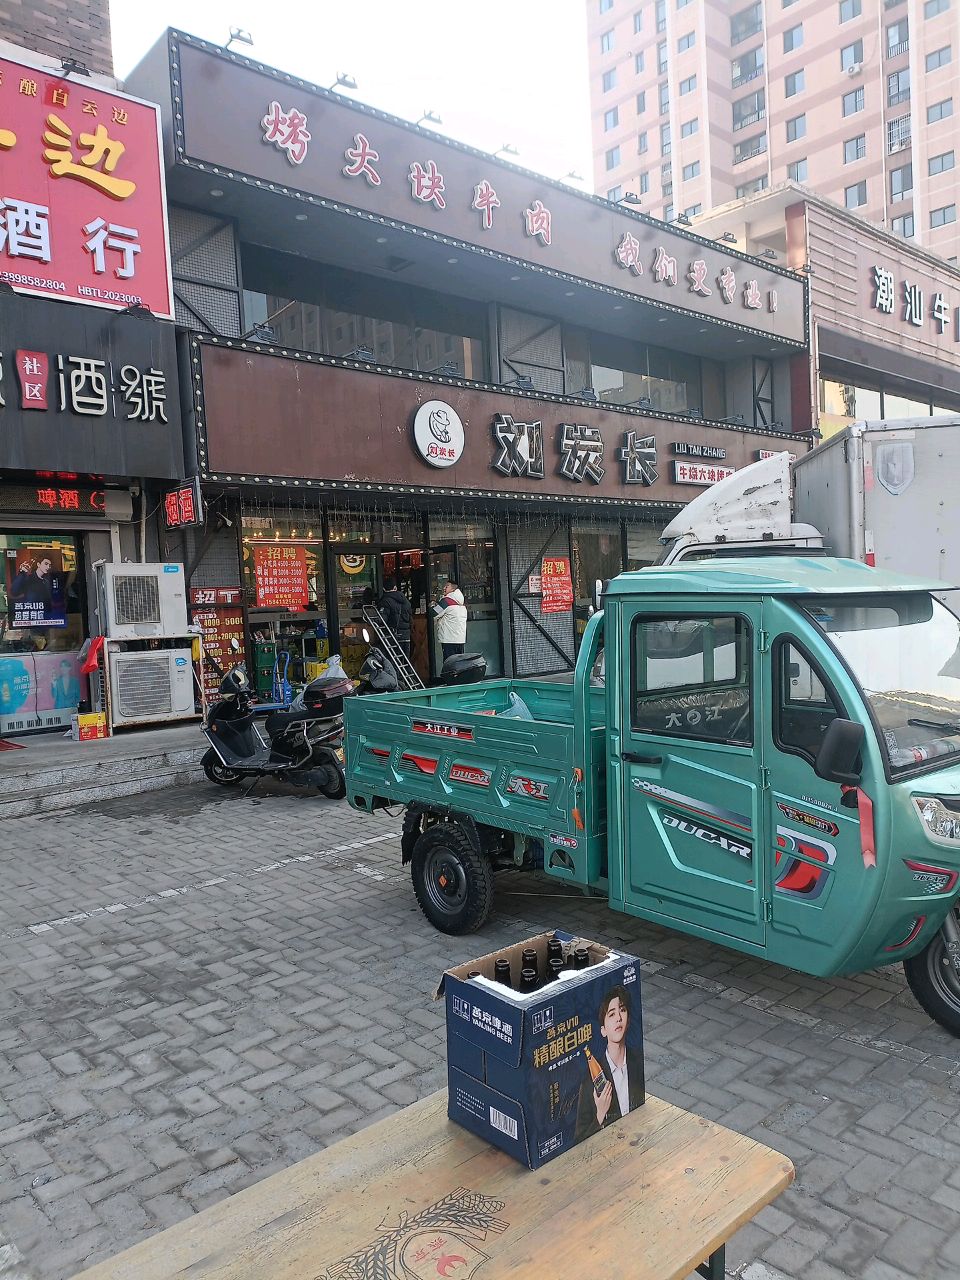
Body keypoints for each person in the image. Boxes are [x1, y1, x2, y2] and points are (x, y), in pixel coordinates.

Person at [573, 984, 644, 1141]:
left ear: (629, 1019)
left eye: (622, 1010)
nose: (618, 1017)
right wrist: (600, 1113)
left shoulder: (637, 1062)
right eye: (611, 1014)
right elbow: (579, 1139)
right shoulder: (591, 1078)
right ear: (603, 1029)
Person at [433, 579, 467, 662]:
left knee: (449, 663)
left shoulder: (446, 602)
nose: (444, 588)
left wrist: (432, 602)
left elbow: (433, 613)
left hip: (449, 639)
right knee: (459, 663)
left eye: (446, 586)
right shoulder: (461, 603)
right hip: (460, 639)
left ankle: (450, 675)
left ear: (453, 589)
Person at [379, 577, 412, 658]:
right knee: (405, 660)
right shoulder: (406, 601)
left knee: (393, 660)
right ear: (395, 587)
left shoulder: (385, 601)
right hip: (406, 635)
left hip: (393, 635)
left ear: (383, 588)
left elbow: (382, 620)